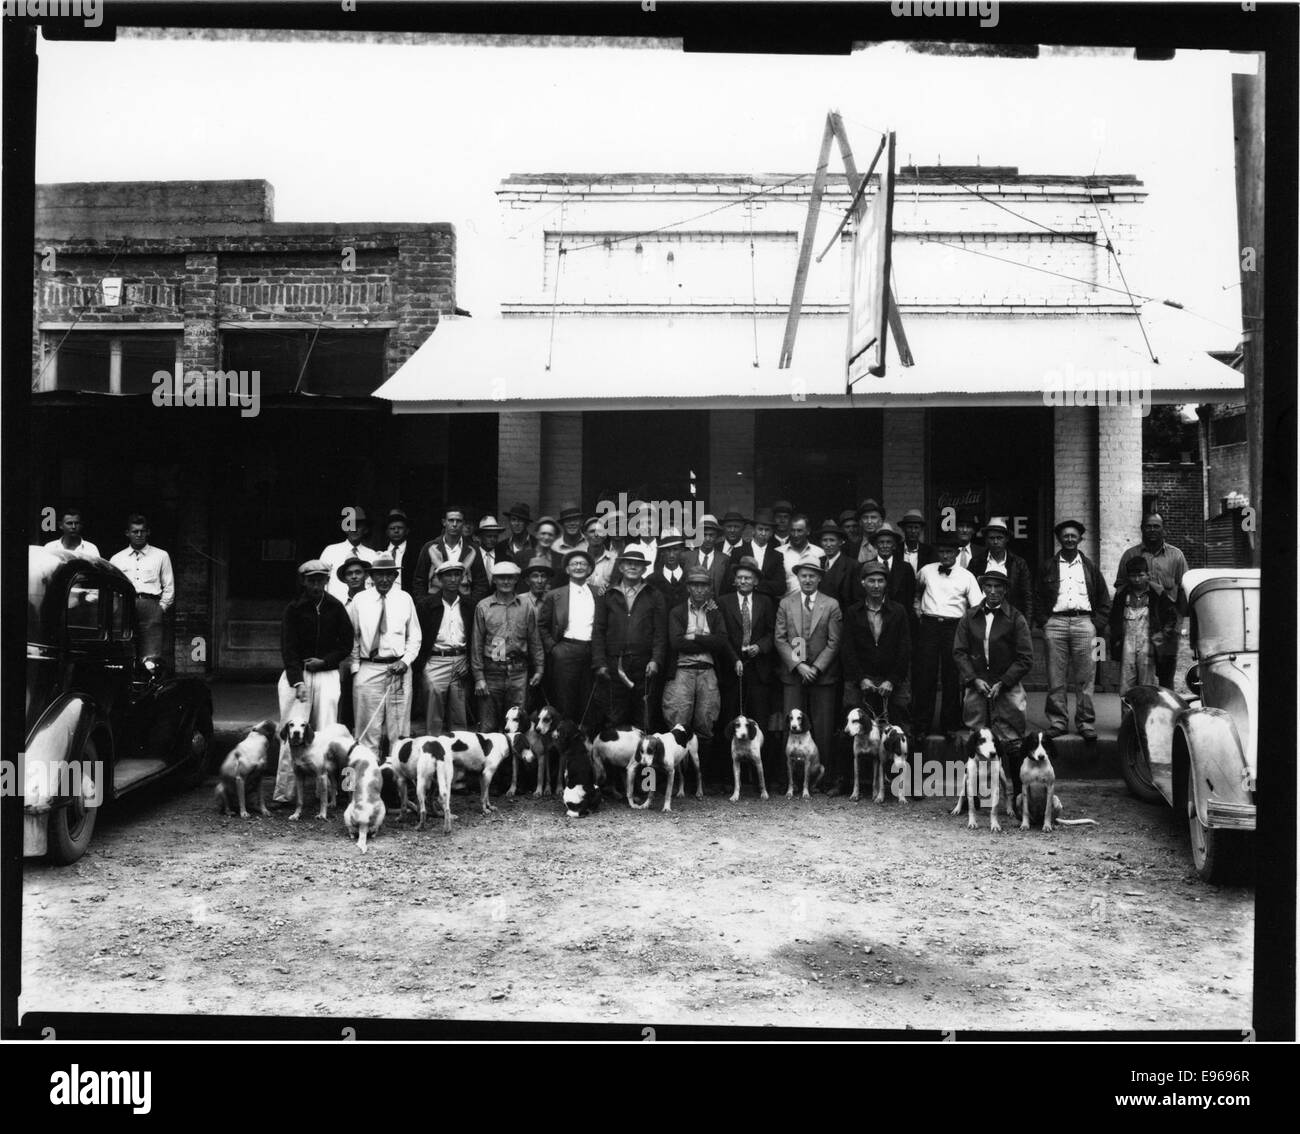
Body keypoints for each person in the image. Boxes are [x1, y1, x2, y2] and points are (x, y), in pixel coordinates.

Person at [272, 560, 354, 805]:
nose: (316, 585)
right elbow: (288, 648)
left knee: (327, 733)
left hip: (326, 674)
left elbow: (346, 645)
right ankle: (285, 793)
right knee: (291, 732)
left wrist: (326, 661)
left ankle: (326, 793)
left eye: (320, 580)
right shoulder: (293, 609)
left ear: (327, 581)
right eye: (311, 580)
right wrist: (298, 682)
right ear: (304, 582)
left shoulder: (336, 607)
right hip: (296, 675)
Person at [953, 562, 1035, 804]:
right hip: (977, 686)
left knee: (1012, 740)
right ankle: (973, 797)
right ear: (982, 588)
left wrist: (1004, 681)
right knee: (976, 738)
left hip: (1006, 687)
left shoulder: (1016, 618)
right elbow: (959, 652)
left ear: (1005, 590)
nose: (992, 591)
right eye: (987, 586)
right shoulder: (969, 617)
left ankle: (1019, 797)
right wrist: (973, 679)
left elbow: (1025, 657)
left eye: (998, 586)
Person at [834, 560, 912, 794]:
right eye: (871, 581)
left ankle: (911, 783)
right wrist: (861, 679)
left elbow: (905, 648)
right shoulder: (853, 612)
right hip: (862, 678)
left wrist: (892, 680)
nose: (876, 585)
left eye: (880, 581)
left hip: (891, 678)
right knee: (848, 726)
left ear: (886, 583)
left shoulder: (898, 611)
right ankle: (843, 780)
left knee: (903, 727)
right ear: (863, 583)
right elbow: (847, 649)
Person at [1035, 519, 1111, 741]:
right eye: (1065, 536)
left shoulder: (1090, 567)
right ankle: (1058, 722)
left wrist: (1095, 624)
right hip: (1055, 624)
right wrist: (1044, 622)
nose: (1069, 539)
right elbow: (1038, 597)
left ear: (1080, 539)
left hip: (1083, 623)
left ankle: (1085, 723)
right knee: (1055, 677)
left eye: (1073, 536)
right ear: (1059, 539)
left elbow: (1105, 600)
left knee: (1086, 677)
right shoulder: (1048, 566)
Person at [774, 552, 843, 787]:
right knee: (791, 724)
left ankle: (820, 778)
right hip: (794, 674)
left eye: (812, 576)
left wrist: (816, 667)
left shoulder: (831, 604)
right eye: (804, 576)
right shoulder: (786, 603)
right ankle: (789, 780)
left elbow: (834, 641)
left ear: (819, 578)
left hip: (823, 675)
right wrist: (799, 666)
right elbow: (780, 639)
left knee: (822, 728)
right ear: (798, 577)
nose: (807, 580)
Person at [662, 566, 735, 782]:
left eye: (704, 585)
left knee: (706, 723)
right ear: (688, 587)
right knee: (678, 724)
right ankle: (678, 779)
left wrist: (693, 638)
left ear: (710, 588)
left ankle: (701, 780)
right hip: (682, 671)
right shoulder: (677, 611)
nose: (699, 590)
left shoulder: (714, 612)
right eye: (695, 585)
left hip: (707, 672)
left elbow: (721, 641)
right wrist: (706, 640)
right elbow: (676, 642)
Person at [911, 531, 983, 742]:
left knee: (952, 677)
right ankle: (921, 726)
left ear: (956, 552)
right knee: (926, 675)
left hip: (954, 627)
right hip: (930, 626)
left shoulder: (966, 576)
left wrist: (966, 629)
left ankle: (950, 725)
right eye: (942, 551)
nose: (945, 556)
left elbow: (976, 605)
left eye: (949, 552)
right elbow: (916, 594)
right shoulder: (926, 571)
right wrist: (919, 613)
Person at [348, 554, 421, 755]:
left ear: (395, 575)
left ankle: (396, 776)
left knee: (398, 730)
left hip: (398, 669)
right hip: (368, 667)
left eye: (389, 575)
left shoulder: (404, 598)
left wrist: (405, 661)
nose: (384, 580)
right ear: (371, 576)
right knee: (366, 729)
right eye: (379, 575)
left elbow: (415, 636)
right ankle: (367, 777)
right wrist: (356, 668)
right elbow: (352, 636)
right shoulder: (360, 600)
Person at [717, 557, 778, 782]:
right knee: (730, 720)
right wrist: (734, 658)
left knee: (759, 721)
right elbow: (721, 636)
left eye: (748, 578)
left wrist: (760, 647)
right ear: (734, 581)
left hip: (759, 668)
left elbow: (774, 633)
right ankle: (728, 778)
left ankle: (761, 777)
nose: (743, 581)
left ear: (755, 582)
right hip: (732, 668)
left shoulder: (766, 602)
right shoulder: (723, 602)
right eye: (740, 578)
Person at [593, 547, 667, 731]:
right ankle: (616, 757)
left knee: (643, 715)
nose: (633, 567)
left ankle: (643, 758)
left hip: (644, 664)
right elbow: (599, 630)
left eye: (638, 564)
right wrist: (600, 662)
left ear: (644, 570)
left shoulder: (654, 594)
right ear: (620, 567)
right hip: (614, 662)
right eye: (628, 563)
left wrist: (656, 660)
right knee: (615, 715)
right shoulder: (608, 594)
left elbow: (660, 632)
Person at [1113, 512, 1188, 688]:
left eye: (1156, 526)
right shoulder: (1130, 555)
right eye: (1148, 526)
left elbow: (1183, 589)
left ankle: (1166, 714)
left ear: (1164, 530)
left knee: (1166, 676)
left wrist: (1178, 622)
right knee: (1134, 677)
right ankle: (1135, 714)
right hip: (1137, 626)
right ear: (1141, 529)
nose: (1152, 530)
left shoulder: (1176, 556)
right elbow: (1120, 590)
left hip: (1167, 627)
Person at [472, 561, 544, 732]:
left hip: (518, 672)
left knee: (517, 724)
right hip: (492, 671)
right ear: (494, 580)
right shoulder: (483, 607)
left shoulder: (526, 606)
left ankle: (514, 758)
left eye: (510, 578)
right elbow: (476, 643)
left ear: (516, 580)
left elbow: (534, 640)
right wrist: (479, 677)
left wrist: (539, 668)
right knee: (488, 724)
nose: (505, 582)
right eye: (501, 578)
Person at [538, 548, 601, 726]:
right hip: (565, 651)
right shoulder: (555, 595)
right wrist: (554, 648)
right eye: (574, 564)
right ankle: (563, 742)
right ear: (567, 569)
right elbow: (542, 625)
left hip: (592, 651)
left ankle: (585, 746)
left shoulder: (599, 593)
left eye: (583, 564)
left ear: (590, 569)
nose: (579, 567)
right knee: (565, 701)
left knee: (589, 701)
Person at [415, 560, 475, 735]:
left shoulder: (469, 605)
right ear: (440, 579)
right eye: (448, 575)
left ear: (462, 578)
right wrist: (423, 665)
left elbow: (475, 636)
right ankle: (433, 752)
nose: (453, 579)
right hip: (435, 660)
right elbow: (418, 637)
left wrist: (469, 663)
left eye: (457, 574)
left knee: (459, 715)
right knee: (433, 716)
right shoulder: (427, 605)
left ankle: (459, 755)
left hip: (461, 660)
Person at [1108, 557, 1178, 695]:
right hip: (1127, 644)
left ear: (1148, 575)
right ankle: (1128, 715)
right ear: (1128, 577)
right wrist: (1116, 640)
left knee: (1147, 686)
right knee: (1126, 684)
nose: (1137, 579)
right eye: (1133, 576)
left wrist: (1161, 636)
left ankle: (1146, 715)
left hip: (1148, 644)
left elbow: (1171, 617)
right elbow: (1114, 619)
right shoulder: (1122, 594)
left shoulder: (1158, 593)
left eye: (1141, 575)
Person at [110, 514, 175, 660]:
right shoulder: (117, 558)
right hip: (125, 606)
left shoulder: (161, 556)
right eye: (135, 531)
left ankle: (149, 681)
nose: (139, 535)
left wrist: (161, 608)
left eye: (142, 531)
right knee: (124, 649)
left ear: (148, 532)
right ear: (128, 533)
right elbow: (113, 588)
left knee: (151, 653)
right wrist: (116, 608)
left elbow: (169, 586)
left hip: (151, 605)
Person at [412, 506, 489, 604]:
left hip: (464, 606)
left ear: (463, 523)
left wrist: (471, 604)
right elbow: (419, 581)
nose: (455, 524)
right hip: (435, 606)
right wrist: (424, 604)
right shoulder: (430, 547)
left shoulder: (472, 549)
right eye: (451, 520)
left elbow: (481, 582)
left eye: (459, 521)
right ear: (444, 522)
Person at [968, 517, 1032, 623]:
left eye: (999, 538)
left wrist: (1026, 626)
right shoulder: (976, 562)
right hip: (982, 619)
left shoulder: (1018, 563)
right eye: (991, 538)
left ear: (1006, 539)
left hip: (1009, 621)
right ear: (986, 539)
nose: (995, 541)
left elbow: (1027, 596)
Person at [334, 554, 370, 730]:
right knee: (344, 695)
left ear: (366, 575)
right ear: (345, 579)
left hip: (368, 657)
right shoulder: (341, 605)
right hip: (345, 657)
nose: (354, 576)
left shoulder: (373, 601)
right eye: (350, 574)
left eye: (358, 572)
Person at [321, 504, 377, 601]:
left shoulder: (372, 555)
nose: (354, 529)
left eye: (358, 526)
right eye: (350, 525)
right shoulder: (331, 551)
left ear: (365, 529)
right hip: (337, 608)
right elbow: (321, 582)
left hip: (365, 607)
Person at [740, 507, 787, 600]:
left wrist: (756, 584)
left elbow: (781, 587)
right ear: (753, 530)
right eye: (760, 529)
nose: (763, 533)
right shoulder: (739, 551)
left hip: (767, 603)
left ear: (771, 533)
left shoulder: (777, 556)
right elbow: (731, 580)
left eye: (767, 530)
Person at [815, 518, 857, 610]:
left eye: (832, 540)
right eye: (825, 540)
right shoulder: (817, 562)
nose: (828, 544)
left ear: (840, 542)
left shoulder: (852, 565)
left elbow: (856, 600)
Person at [648, 528, 690, 610]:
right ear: (662, 552)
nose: (671, 555)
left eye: (675, 550)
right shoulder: (651, 581)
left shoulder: (690, 578)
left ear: (681, 551)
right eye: (667, 550)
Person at [687, 514, 730, 595]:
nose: (707, 539)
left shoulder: (724, 559)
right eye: (704, 535)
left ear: (717, 536)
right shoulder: (686, 557)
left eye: (711, 535)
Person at [380, 508, 416, 593]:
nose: (396, 531)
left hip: (407, 596)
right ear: (387, 532)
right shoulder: (380, 551)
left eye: (400, 528)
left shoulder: (415, 552)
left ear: (407, 531)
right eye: (392, 528)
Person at [779, 514, 815, 595]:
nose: (795, 535)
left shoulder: (819, 553)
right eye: (792, 530)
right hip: (786, 604)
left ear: (808, 531)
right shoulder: (778, 553)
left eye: (799, 531)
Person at [583, 516, 619, 594]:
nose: (596, 534)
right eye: (592, 531)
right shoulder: (578, 558)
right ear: (586, 535)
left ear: (605, 535)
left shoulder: (615, 559)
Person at [898, 508, 936, 574]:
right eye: (909, 527)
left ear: (921, 530)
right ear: (903, 529)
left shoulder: (929, 552)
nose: (913, 531)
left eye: (916, 528)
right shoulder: (896, 550)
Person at [500, 502, 537, 567]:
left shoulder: (536, 544)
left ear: (527, 523)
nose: (516, 524)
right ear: (509, 522)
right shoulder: (501, 547)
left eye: (521, 520)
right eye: (513, 520)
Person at [855, 499, 887, 565]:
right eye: (865, 518)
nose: (869, 521)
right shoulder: (853, 545)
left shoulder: (887, 544)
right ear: (860, 522)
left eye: (873, 517)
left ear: (880, 521)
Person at [475, 515, 504, 581]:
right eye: (489, 536)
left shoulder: (503, 557)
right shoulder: (473, 556)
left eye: (495, 536)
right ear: (480, 536)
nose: (492, 539)